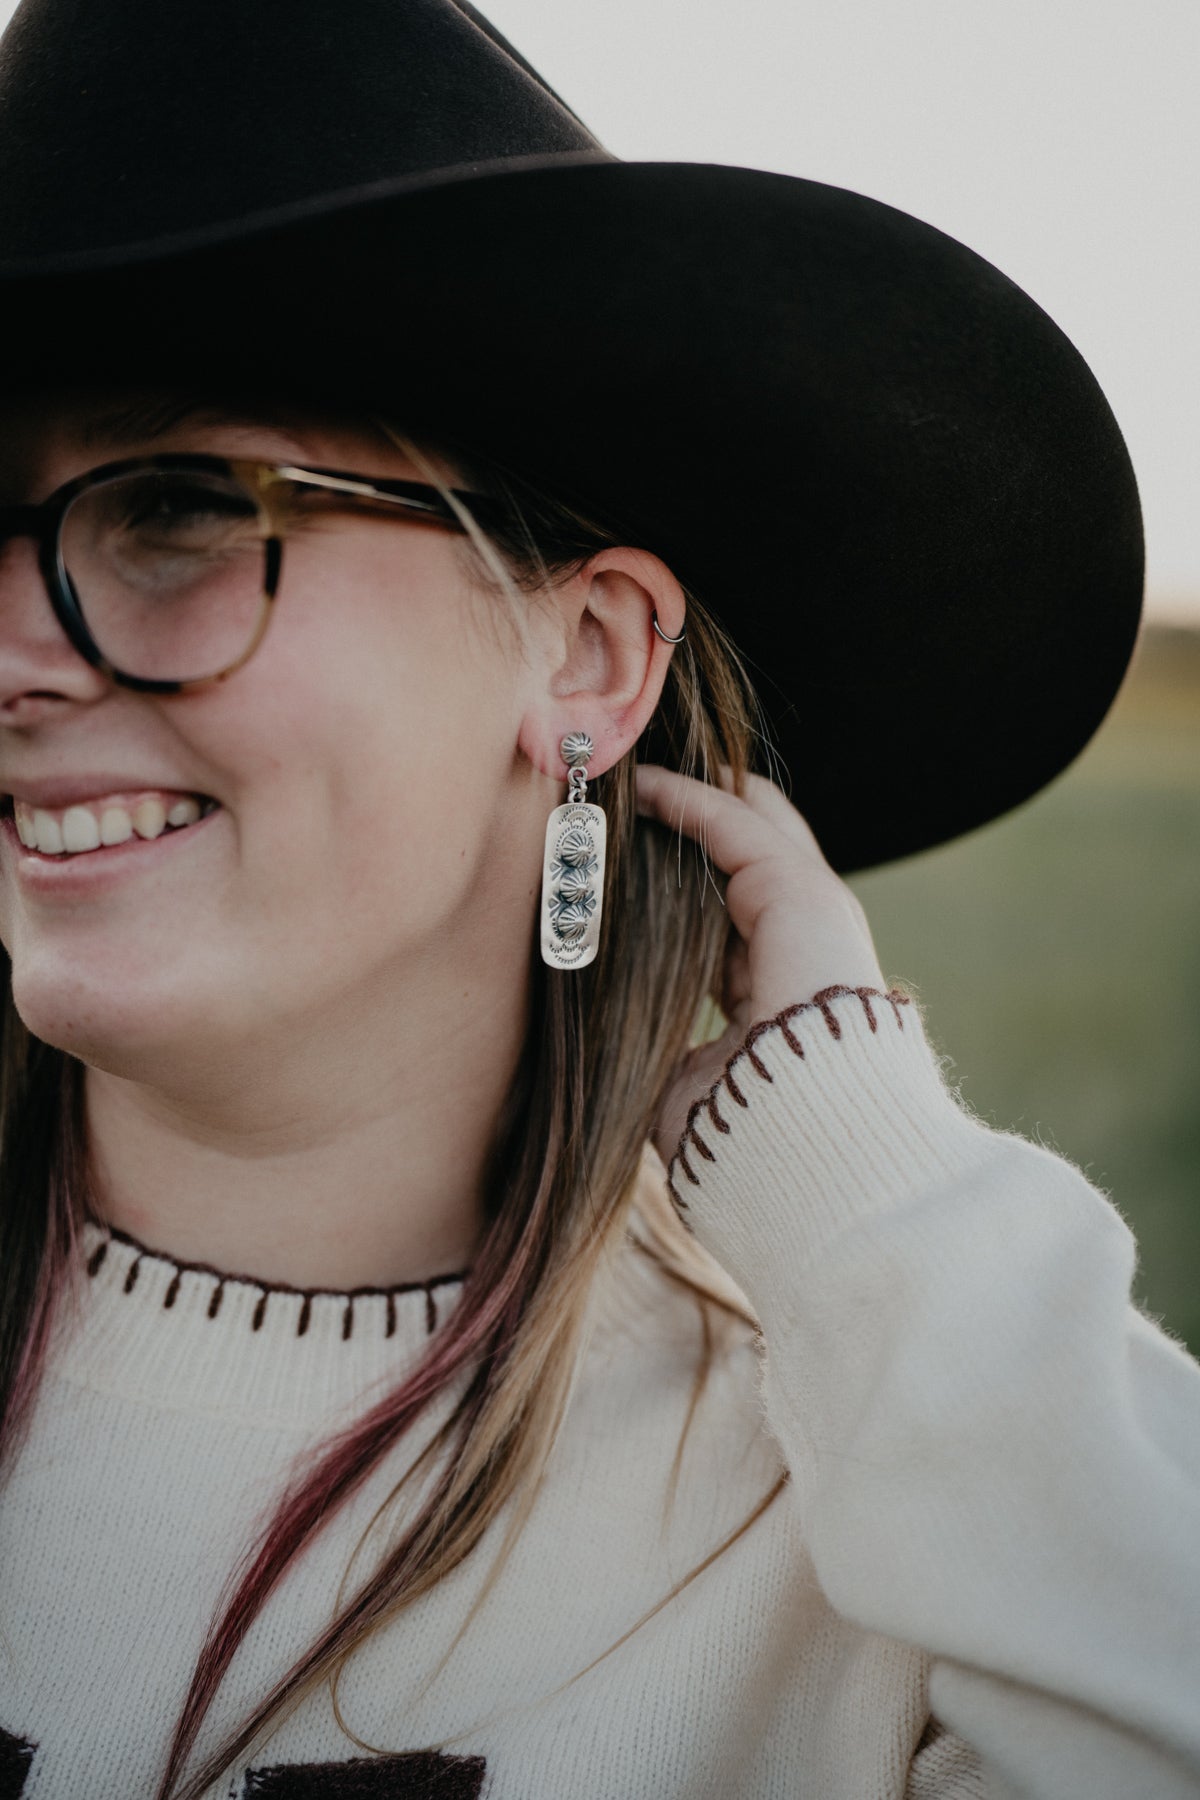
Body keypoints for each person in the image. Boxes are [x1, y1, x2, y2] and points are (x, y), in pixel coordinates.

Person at [0, 2, 1196, 1797]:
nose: (11, 654)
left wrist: (870, 1186)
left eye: (171, 510)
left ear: (585, 653)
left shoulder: (863, 1533)